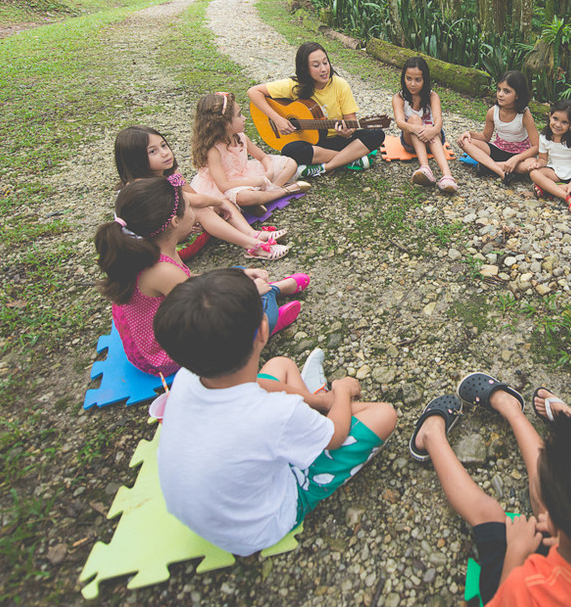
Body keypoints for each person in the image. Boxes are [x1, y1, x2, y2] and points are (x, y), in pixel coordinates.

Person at [153, 269, 397, 556]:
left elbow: (258, 387)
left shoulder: (186, 376)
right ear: (263, 330)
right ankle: (324, 405)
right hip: (261, 524)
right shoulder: (276, 414)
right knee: (384, 415)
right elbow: (335, 436)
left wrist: (318, 403)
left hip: (211, 511)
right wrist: (342, 391)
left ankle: (319, 401)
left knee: (280, 364)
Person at [408, 373, 571, 606]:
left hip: (519, 583)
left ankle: (431, 435)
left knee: (487, 512)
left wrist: (516, 551)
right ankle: (510, 408)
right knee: (547, 482)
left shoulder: (531, 588)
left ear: (550, 524)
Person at [94, 178, 304, 377]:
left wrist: (238, 275)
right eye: (190, 207)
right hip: (163, 357)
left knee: (236, 271)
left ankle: (270, 290)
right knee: (258, 311)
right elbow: (209, 309)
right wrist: (251, 291)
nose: (195, 212)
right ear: (175, 222)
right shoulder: (161, 269)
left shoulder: (152, 249)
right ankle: (270, 306)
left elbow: (190, 280)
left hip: (170, 322)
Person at [114, 125, 292, 260]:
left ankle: (253, 234)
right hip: (153, 241)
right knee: (204, 208)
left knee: (212, 203)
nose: (164, 153)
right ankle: (253, 246)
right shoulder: (142, 186)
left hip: (172, 225)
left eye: (164, 145)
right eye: (153, 151)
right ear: (136, 160)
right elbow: (191, 201)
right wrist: (213, 206)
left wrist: (210, 207)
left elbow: (194, 195)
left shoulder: (170, 173)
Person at [248, 41, 386, 178]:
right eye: (316, 65)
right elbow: (253, 92)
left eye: (325, 62)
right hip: (312, 143)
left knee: (377, 134)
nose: (324, 69)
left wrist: (347, 133)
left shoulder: (340, 85)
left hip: (336, 140)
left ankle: (325, 167)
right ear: (304, 69)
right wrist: (277, 119)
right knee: (290, 150)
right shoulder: (294, 86)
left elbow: (351, 121)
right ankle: (350, 159)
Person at [190, 92, 308, 218]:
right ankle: (284, 191)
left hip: (246, 173)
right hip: (227, 186)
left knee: (290, 164)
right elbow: (224, 186)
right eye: (239, 115)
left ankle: (264, 197)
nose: (244, 118)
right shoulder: (214, 150)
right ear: (224, 123)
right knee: (245, 197)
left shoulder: (241, 137)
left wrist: (268, 171)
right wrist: (256, 181)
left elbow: (263, 157)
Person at [457, 70, 540, 183]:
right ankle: (500, 170)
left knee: (531, 165)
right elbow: (486, 136)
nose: (500, 94)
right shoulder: (493, 112)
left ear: (517, 95)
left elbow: (536, 146)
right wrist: (469, 134)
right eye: (499, 89)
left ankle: (488, 166)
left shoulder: (524, 114)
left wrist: (516, 158)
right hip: (498, 149)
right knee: (465, 141)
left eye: (507, 91)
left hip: (520, 154)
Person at [391, 56, 457, 193]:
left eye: (418, 80)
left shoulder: (433, 96)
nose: (412, 84)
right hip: (410, 141)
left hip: (433, 140)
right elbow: (400, 123)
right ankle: (425, 168)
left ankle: (447, 176)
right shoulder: (399, 98)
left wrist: (431, 130)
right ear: (403, 78)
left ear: (425, 79)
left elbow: (438, 122)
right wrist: (418, 129)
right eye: (408, 78)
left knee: (430, 127)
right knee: (414, 119)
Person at [528, 99, 571, 214]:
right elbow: (543, 159)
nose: (558, 125)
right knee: (534, 173)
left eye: (564, 122)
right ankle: (567, 197)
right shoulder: (545, 137)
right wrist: (538, 163)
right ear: (550, 116)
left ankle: (549, 189)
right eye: (555, 119)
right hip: (557, 171)